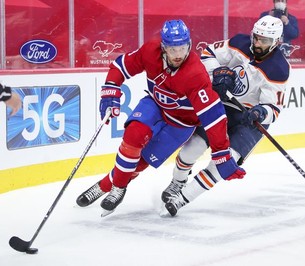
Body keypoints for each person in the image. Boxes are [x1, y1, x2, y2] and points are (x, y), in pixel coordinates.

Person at [76, 19, 245, 215]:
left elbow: (213, 116)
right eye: (173, 49)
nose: (178, 55)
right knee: (133, 136)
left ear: (189, 45)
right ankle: (118, 188)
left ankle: (106, 184)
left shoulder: (195, 74)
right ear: (163, 47)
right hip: (156, 105)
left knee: (142, 160)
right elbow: (120, 66)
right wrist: (110, 89)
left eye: (182, 48)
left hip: (182, 124)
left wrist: (221, 153)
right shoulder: (150, 51)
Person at [162, 15, 290, 216]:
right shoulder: (240, 42)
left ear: (276, 42)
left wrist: (260, 112)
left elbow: (273, 109)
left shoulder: (279, 69)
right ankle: (177, 183)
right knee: (191, 149)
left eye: (264, 41)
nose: (257, 43)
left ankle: (181, 199)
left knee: (223, 163)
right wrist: (218, 72)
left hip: (249, 121)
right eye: (256, 37)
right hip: (224, 106)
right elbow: (208, 52)